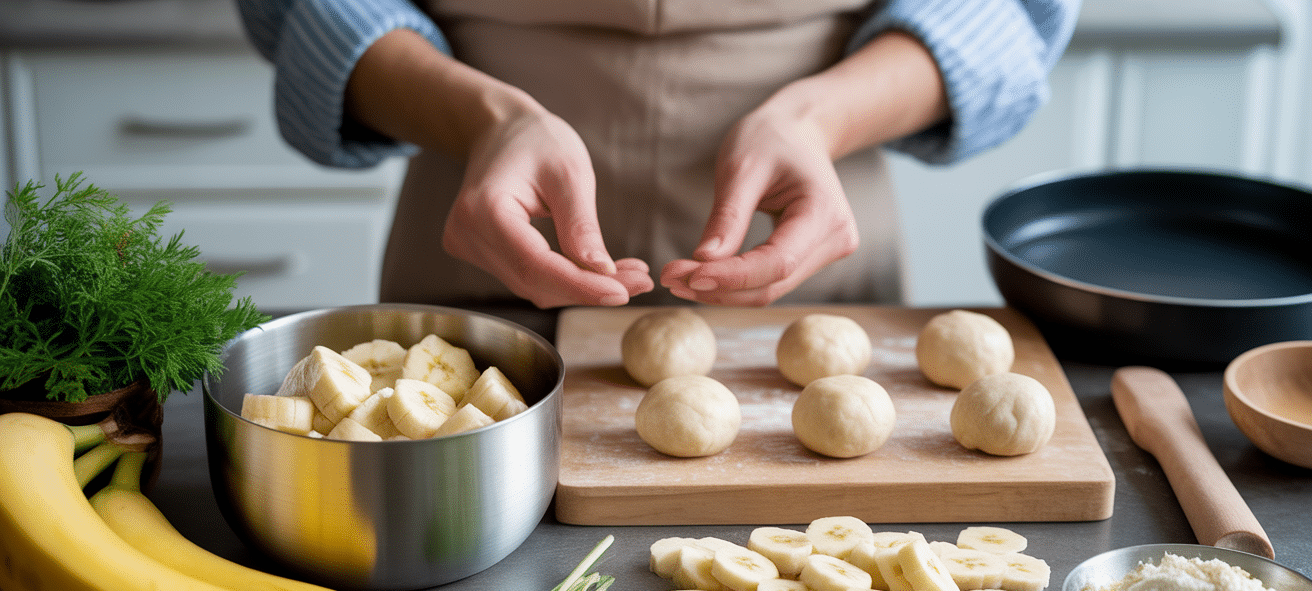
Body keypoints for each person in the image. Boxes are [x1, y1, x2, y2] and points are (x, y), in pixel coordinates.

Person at [237, 0, 1079, 310]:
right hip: (479, 264)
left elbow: (1006, 12)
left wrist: (818, 120)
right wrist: (486, 119)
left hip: (813, 278)